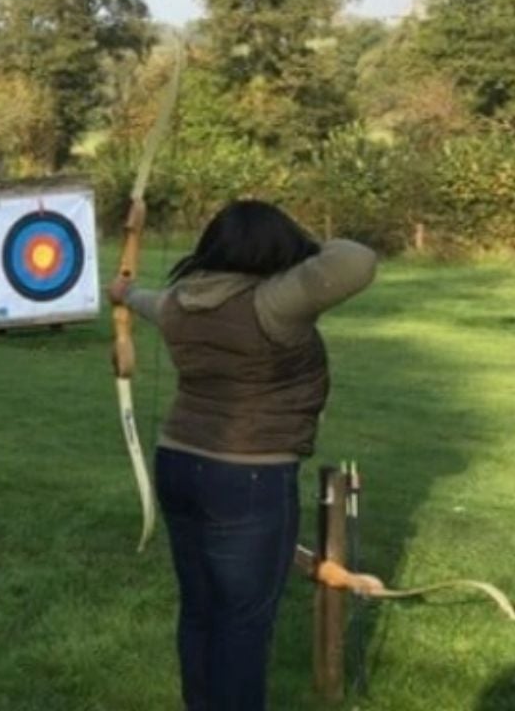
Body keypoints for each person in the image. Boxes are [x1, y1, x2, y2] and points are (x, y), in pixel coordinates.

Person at [108, 200, 377, 711]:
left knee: (201, 612)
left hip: (178, 466)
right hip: (249, 477)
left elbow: (143, 299)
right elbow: (357, 260)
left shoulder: (181, 300)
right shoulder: (275, 301)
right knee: (242, 624)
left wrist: (124, 293)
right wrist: (304, 250)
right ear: (274, 251)